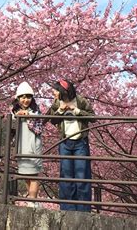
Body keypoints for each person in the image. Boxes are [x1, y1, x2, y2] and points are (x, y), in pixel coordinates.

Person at [47, 79, 95, 212]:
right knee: (66, 176)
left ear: (64, 91)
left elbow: (93, 117)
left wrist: (77, 111)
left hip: (80, 142)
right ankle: (67, 209)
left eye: (56, 90)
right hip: (65, 142)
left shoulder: (80, 100)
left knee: (82, 176)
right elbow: (52, 120)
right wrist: (60, 112)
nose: (54, 92)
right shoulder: (57, 103)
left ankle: (83, 210)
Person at [11, 81, 43, 208]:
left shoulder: (35, 111)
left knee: (34, 174)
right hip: (21, 147)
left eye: (28, 97)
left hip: (33, 146)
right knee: (25, 174)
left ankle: (32, 200)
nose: (26, 100)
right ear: (18, 98)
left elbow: (38, 124)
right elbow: (10, 126)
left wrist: (28, 115)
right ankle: (31, 200)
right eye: (23, 97)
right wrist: (16, 116)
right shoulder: (14, 112)